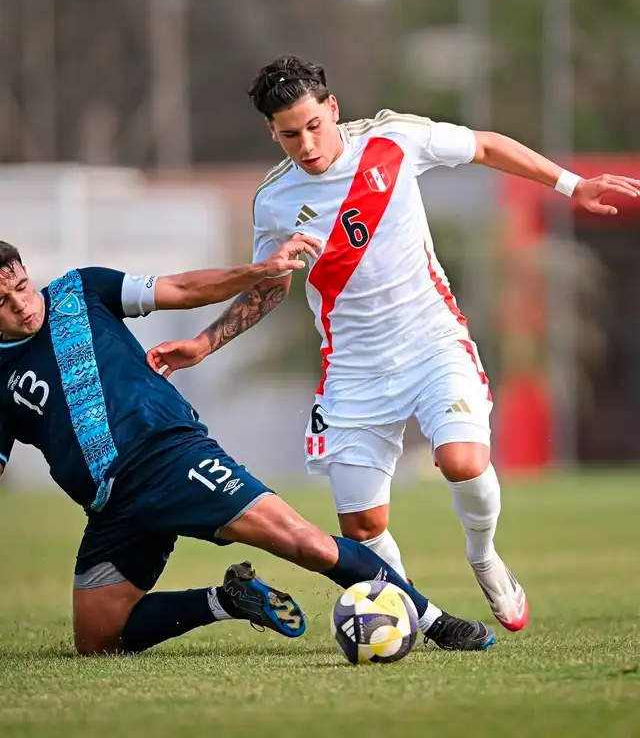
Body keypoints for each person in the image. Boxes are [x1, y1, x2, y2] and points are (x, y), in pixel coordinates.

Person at [146, 56, 640, 634]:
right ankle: (420, 619)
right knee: (360, 526)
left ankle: (484, 557)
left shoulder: (394, 139)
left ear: (332, 109)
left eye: (313, 126)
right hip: (352, 369)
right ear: (271, 132)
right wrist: (205, 343)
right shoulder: (275, 202)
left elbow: (484, 145)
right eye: (288, 135)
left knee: (462, 461)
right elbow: (269, 289)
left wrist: (574, 185)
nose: (306, 144)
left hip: (433, 341)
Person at [0, 239, 494, 656]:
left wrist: (258, 270)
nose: (21, 304)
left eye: (20, 286)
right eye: (2, 302)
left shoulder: (80, 290)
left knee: (307, 544)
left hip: (172, 459)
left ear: (26, 273)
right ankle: (229, 600)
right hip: (112, 507)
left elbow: (182, 288)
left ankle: (435, 622)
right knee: (96, 639)